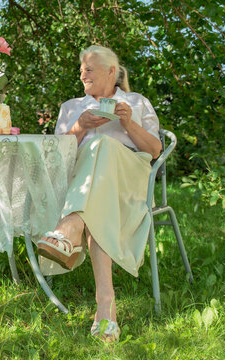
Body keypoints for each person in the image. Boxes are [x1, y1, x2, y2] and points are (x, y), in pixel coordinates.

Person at [35, 45, 162, 342]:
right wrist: (80, 126)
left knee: (101, 145)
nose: (82, 74)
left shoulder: (136, 102)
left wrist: (128, 123)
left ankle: (69, 227)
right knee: (95, 182)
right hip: (85, 188)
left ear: (111, 72)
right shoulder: (72, 107)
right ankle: (106, 305)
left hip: (128, 182)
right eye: (81, 69)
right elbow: (54, 158)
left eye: (89, 68)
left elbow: (155, 150)